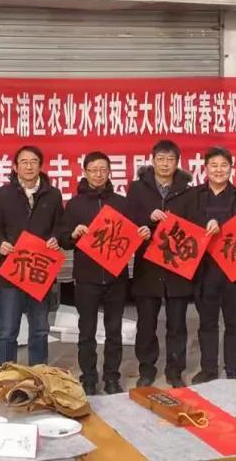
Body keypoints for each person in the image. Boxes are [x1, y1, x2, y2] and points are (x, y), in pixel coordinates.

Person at [57, 151, 149, 396]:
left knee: (113, 331)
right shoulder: (75, 204)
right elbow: (63, 239)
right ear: (85, 173)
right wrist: (73, 234)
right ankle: (88, 378)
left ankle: (111, 377)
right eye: (93, 170)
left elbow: (133, 235)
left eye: (102, 169)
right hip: (86, 277)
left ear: (109, 172)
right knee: (86, 332)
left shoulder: (121, 203)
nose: (98, 174)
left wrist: (141, 234)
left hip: (116, 277)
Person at [168, 147, 236, 383]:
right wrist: (205, 224)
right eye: (214, 165)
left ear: (231, 168)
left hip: (234, 273)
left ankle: (233, 369)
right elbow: (181, 228)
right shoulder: (192, 196)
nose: (219, 170)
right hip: (205, 271)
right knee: (207, 324)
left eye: (224, 165)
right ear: (206, 168)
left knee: (234, 324)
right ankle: (208, 369)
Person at [0, 146, 63, 367]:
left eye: (33, 162)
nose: (29, 166)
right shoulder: (2, 194)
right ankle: (6, 376)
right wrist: (0, 243)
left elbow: (61, 227)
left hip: (40, 271)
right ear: (15, 166)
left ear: (40, 166)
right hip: (12, 270)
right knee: (8, 330)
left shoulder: (53, 194)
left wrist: (56, 238)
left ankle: (38, 375)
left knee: (40, 329)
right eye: (24, 162)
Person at [127, 139, 193, 388]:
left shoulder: (188, 191)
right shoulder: (137, 188)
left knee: (177, 324)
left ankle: (175, 371)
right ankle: (147, 369)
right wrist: (147, 218)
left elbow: (194, 223)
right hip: (148, 265)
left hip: (177, 266)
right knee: (146, 323)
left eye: (170, 160)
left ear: (177, 163)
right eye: (161, 159)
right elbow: (128, 219)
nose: (165, 164)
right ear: (152, 160)